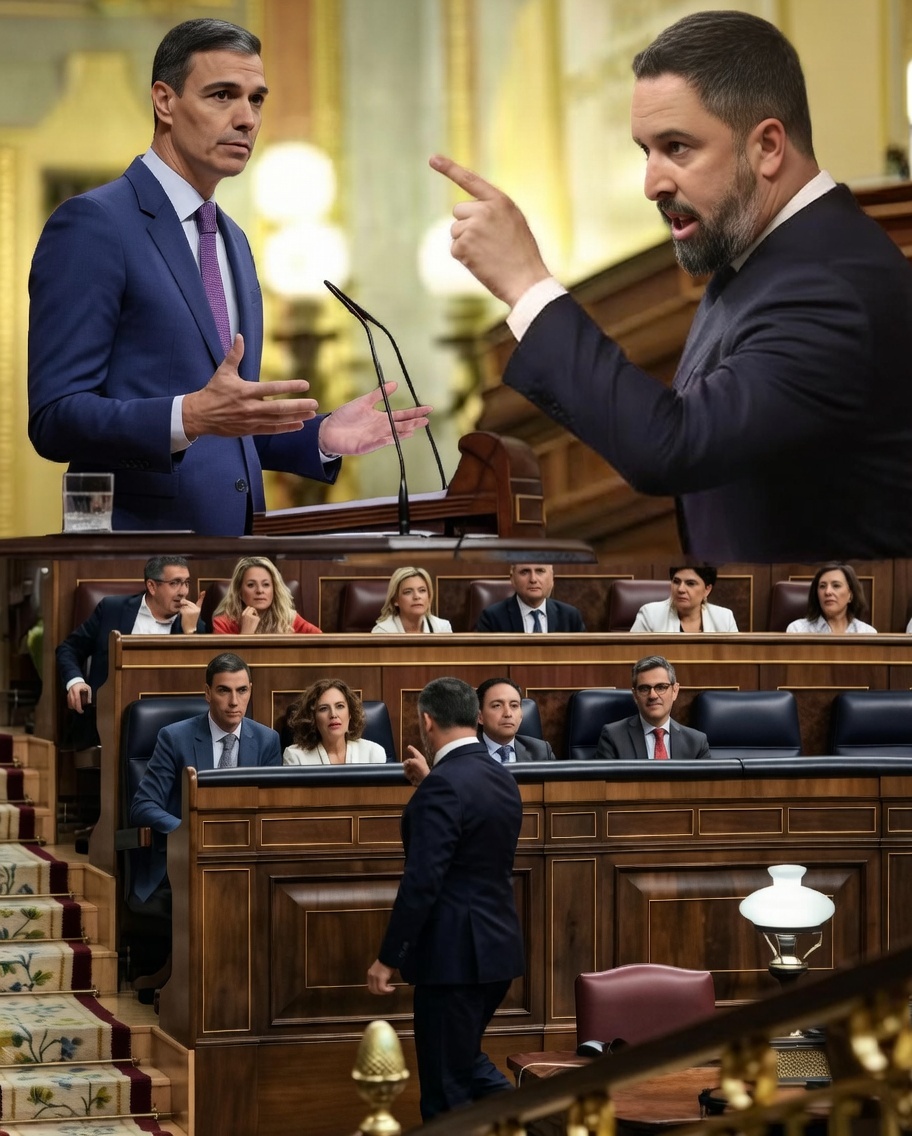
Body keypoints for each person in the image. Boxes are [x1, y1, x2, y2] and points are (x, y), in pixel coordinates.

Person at [429, 11, 912, 563]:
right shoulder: (764, 259)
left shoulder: (829, 286)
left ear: (769, 146)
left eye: (677, 147)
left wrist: (526, 284)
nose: (652, 183)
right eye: (646, 151)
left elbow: (673, 447)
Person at [27, 18, 431, 537]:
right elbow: (56, 418)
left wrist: (321, 436)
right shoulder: (94, 224)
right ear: (165, 101)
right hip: (134, 559)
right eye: (222, 95)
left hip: (241, 565)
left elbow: (229, 424)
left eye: (256, 99)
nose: (246, 119)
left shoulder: (233, 239)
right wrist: (188, 415)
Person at [367, 677, 524, 1120]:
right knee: (464, 1063)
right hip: (494, 953)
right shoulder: (500, 776)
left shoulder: (444, 787)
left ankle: (544, 1118)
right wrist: (432, 785)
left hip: (453, 959)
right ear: (476, 716)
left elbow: (423, 883)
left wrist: (388, 957)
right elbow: (467, 836)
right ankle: (542, 1117)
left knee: (445, 1087)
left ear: (427, 721)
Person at [130, 651, 281, 903]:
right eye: (224, 691)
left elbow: (273, 808)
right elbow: (143, 806)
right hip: (187, 861)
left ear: (251, 690)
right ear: (208, 693)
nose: (234, 701)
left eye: (242, 690)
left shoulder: (267, 740)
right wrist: (189, 832)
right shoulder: (174, 737)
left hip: (245, 857)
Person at [56, 554, 204, 750]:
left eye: (186, 583)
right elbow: (69, 649)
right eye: (175, 583)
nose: (183, 592)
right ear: (152, 586)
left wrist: (190, 632)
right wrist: (76, 681)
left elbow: (194, 679)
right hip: (108, 721)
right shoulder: (113, 610)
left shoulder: (194, 625)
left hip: (171, 723)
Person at [595, 655, 711, 760]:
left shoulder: (696, 742)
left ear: (675, 691)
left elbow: (706, 784)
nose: (653, 695)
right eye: (645, 688)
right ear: (635, 695)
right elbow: (605, 783)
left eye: (661, 687)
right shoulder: (613, 737)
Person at [282, 678, 386, 765]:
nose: (333, 714)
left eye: (340, 706)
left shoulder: (373, 753)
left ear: (350, 713)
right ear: (312, 718)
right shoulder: (296, 757)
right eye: (323, 708)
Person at [211, 556, 320, 634]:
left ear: (274, 589)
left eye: (266, 585)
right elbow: (224, 665)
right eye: (251, 585)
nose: (259, 590)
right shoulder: (223, 623)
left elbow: (322, 644)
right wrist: (245, 634)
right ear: (239, 592)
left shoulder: (289, 619)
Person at [474, 564, 585, 633]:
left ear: (552, 578)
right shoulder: (492, 618)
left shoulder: (570, 617)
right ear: (512, 579)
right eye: (525, 572)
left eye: (540, 571)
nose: (533, 579)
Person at [630, 566, 737, 633]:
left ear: (707, 589)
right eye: (676, 582)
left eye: (690, 583)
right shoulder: (650, 615)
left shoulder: (725, 618)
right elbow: (633, 657)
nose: (680, 589)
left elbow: (735, 660)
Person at [477, 677, 556, 762]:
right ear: (479, 716)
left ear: (521, 715)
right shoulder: (464, 752)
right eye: (497, 705)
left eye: (514, 706)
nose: (508, 714)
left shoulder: (541, 751)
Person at [786, 563, 876, 634]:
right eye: (822, 586)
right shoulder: (797, 630)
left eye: (836, 585)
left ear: (850, 595)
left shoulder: (867, 633)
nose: (827, 592)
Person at [371, 566, 452, 634]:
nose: (416, 596)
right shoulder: (382, 632)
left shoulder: (442, 628)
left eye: (422, 590)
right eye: (408, 592)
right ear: (395, 600)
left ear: (429, 596)